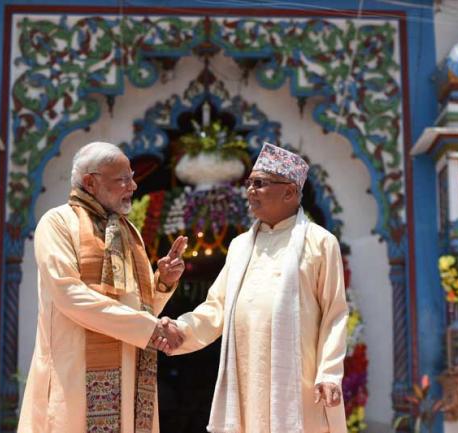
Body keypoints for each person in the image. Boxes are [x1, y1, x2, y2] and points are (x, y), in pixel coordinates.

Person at [166, 142, 349, 433]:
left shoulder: (320, 242)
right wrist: (181, 330)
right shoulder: (240, 246)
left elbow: (334, 314)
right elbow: (217, 307)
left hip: (299, 382)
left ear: (289, 192)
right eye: (249, 183)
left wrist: (328, 373)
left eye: (259, 183)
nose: (250, 191)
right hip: (247, 377)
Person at [18, 141, 187, 433]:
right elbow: (69, 296)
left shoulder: (128, 232)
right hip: (75, 380)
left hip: (131, 381)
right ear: (90, 182)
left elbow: (138, 307)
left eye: (132, 177)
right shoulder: (58, 223)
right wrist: (150, 327)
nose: (133, 186)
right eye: (123, 179)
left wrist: (162, 282)